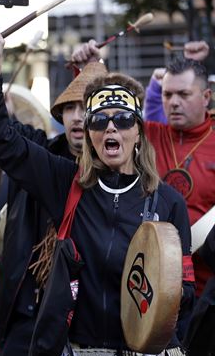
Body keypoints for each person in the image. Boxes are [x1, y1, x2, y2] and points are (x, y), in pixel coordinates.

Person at [0, 26, 193, 356]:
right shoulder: (66, 183)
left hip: (144, 354)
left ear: (138, 131)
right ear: (88, 134)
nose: (110, 127)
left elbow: (186, 290)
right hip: (77, 352)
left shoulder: (167, 202)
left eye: (122, 119)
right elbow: (4, 142)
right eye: (98, 121)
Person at [0, 14, 107, 356]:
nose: (78, 117)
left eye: (88, 108)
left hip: (89, 326)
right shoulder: (40, 154)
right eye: (69, 108)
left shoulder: (121, 175)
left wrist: (99, 73)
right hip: (24, 318)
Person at [75, 39, 215, 299]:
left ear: (206, 97)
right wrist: (90, 70)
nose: (173, 102)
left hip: (208, 287)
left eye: (183, 94)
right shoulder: (143, 133)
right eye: (167, 94)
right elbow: (106, 112)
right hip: (147, 289)